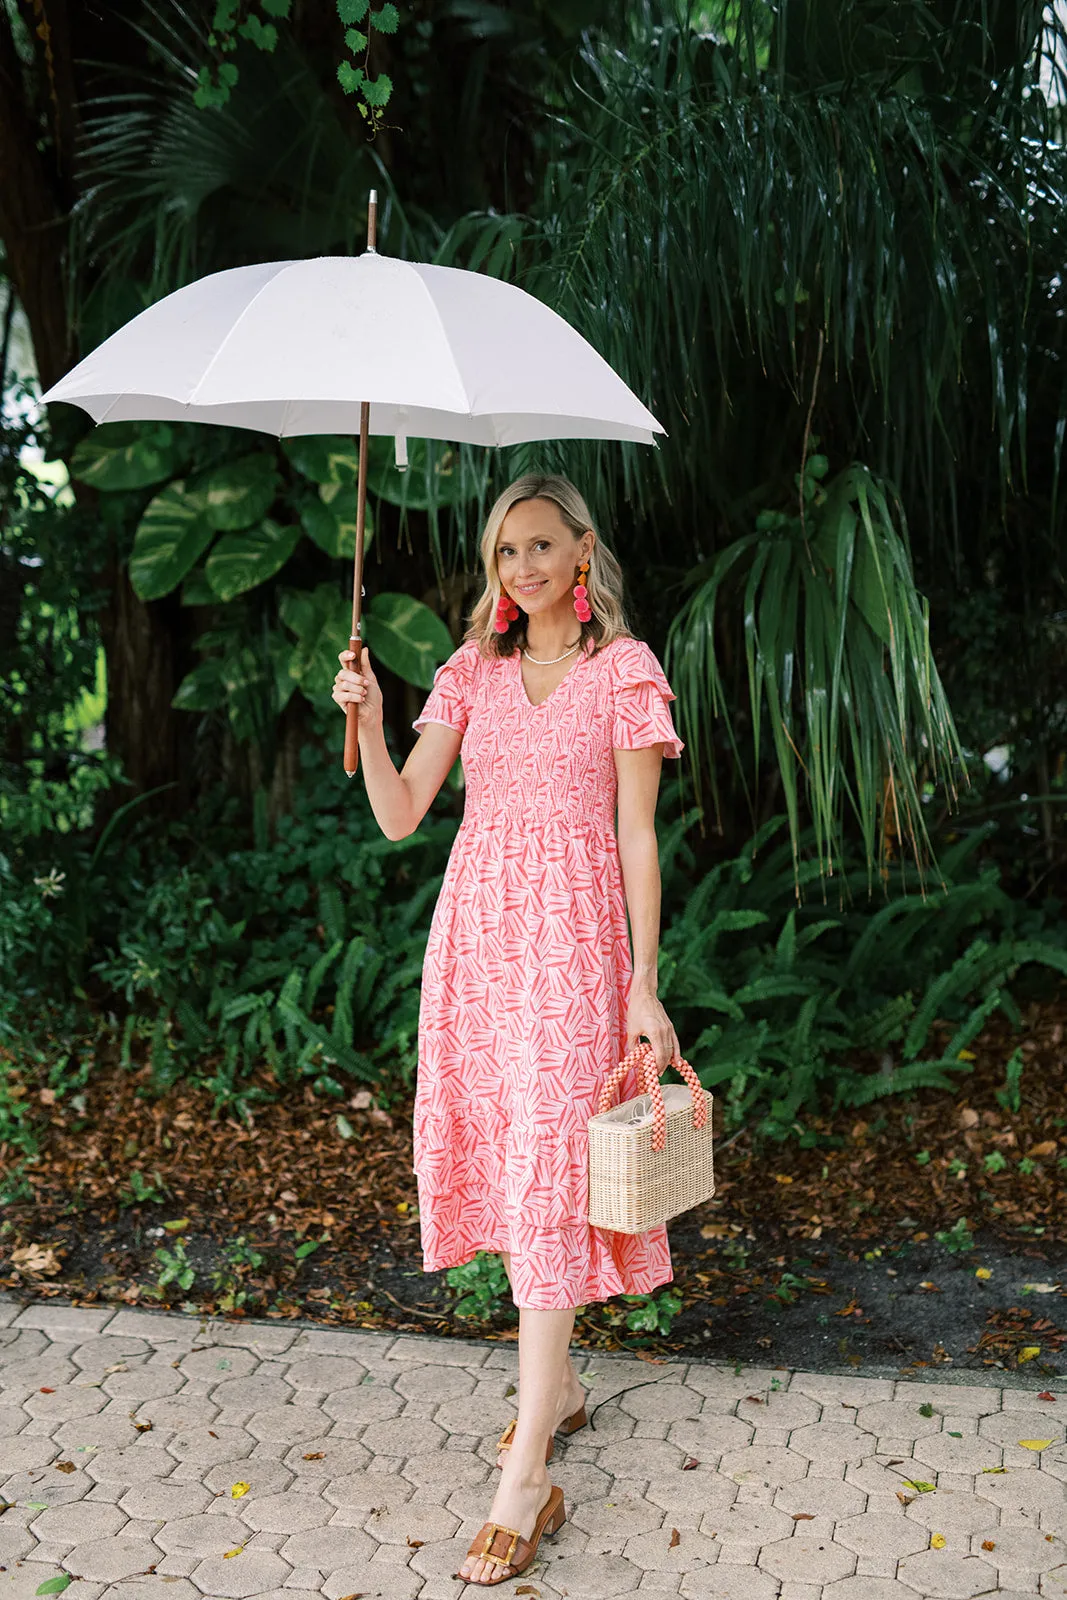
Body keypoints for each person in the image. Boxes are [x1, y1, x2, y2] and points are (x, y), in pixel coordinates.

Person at [331, 473, 684, 1586]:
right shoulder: (467, 672)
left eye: (538, 546)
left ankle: (527, 1463)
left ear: (581, 553)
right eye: (502, 553)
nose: (519, 568)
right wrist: (371, 722)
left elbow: (636, 837)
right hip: (479, 944)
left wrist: (642, 981)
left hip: (575, 948)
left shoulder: (621, 673)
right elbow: (398, 816)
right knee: (511, 1162)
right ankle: (562, 1389)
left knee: (547, 1172)